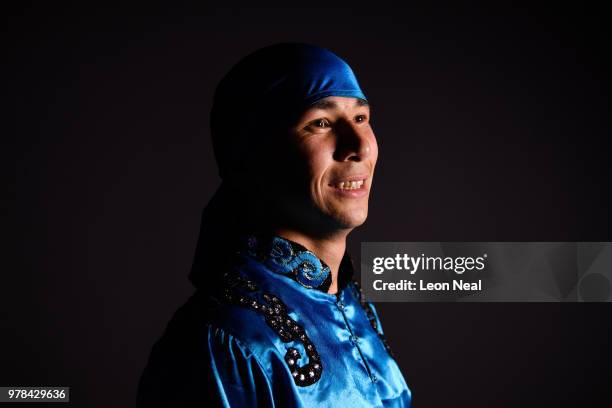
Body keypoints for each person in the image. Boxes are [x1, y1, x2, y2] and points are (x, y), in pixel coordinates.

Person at [137, 43, 411, 407]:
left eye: (361, 118)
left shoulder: (353, 303)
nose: (358, 145)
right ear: (256, 155)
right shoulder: (225, 341)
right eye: (321, 123)